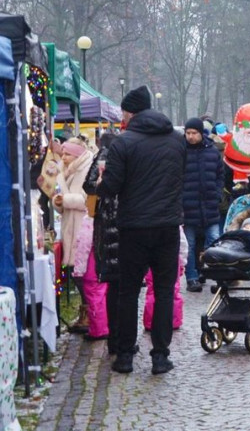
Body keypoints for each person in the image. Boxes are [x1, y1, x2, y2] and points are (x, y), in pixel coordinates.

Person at [96, 85, 186, 375]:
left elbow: (111, 187)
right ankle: (160, 356)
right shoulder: (177, 140)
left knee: (127, 292)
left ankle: (124, 356)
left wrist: (101, 180)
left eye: (123, 112)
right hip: (167, 226)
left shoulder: (124, 143)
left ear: (131, 113)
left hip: (133, 227)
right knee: (163, 291)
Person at [54, 138, 100, 335]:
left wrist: (65, 200)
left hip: (83, 228)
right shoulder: (70, 169)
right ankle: (86, 313)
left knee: (84, 274)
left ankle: (91, 314)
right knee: (76, 273)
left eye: (67, 154)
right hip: (70, 226)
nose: (64, 158)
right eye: (63, 154)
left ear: (77, 154)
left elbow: (87, 200)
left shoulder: (87, 167)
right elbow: (62, 198)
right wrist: (58, 201)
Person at [181, 118, 226, 293]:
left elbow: (220, 175)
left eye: (194, 133)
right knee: (190, 245)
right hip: (188, 206)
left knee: (215, 241)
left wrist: (217, 194)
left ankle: (218, 276)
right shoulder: (181, 152)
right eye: (188, 133)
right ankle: (191, 277)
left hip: (209, 205)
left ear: (201, 133)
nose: (190, 137)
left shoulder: (212, 152)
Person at [83, 133, 118, 346]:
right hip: (127, 224)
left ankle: (114, 337)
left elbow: (89, 185)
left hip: (108, 222)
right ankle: (120, 339)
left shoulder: (104, 156)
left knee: (109, 282)